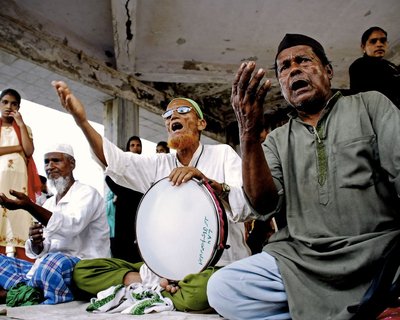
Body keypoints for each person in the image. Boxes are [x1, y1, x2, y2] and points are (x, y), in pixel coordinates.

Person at [207, 34, 400, 320]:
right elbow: (262, 205)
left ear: (328, 71)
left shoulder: (370, 106)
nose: (293, 69)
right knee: (223, 289)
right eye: (284, 67)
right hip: (302, 263)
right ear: (283, 85)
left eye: (303, 61)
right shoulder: (275, 140)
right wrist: (247, 132)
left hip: (379, 255)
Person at [51, 82, 252, 312]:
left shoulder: (223, 154)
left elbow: (246, 203)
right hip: (163, 270)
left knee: (205, 290)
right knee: (83, 272)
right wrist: (82, 121)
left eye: (183, 111)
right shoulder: (160, 164)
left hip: (217, 266)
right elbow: (117, 161)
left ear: (201, 123)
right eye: (167, 115)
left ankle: (164, 287)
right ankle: (151, 282)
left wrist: (209, 183)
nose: (172, 116)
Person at [0, 143, 110, 305]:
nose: (50, 166)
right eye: (46, 162)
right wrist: (37, 243)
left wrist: (29, 205)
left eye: (56, 161)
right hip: (49, 268)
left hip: (83, 265)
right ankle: (27, 290)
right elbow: (42, 249)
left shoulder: (87, 193)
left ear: (72, 164)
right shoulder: (49, 203)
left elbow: (71, 227)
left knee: (50, 264)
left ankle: (23, 291)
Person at [0, 88, 41, 259]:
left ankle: (21, 258)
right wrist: (18, 148)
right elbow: (23, 149)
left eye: (14, 103)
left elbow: (29, 150)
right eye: (5, 102)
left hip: (19, 181)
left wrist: (21, 124)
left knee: (19, 217)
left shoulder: (24, 128)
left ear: (19, 107)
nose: (9, 106)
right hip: (1, 179)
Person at [105, 135, 144, 262]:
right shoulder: (121, 168)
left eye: (138, 145)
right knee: (122, 254)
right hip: (123, 215)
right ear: (128, 148)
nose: (135, 148)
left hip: (139, 213)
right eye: (132, 145)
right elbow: (109, 178)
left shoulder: (146, 166)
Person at [349, 26, 400, 108]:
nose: (379, 44)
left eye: (383, 41)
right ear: (363, 47)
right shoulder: (359, 66)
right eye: (373, 41)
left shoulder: (390, 65)